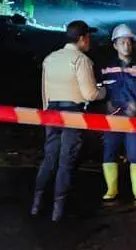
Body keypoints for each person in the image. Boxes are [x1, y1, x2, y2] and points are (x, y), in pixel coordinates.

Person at [30, 20, 104, 222]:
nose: (90, 41)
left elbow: (44, 92)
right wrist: (103, 91)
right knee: (66, 161)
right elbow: (89, 94)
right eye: (89, 37)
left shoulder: (50, 58)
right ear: (82, 38)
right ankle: (58, 211)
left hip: (51, 112)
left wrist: (46, 113)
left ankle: (36, 205)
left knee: (49, 158)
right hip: (73, 113)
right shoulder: (81, 60)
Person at [100, 24, 136, 202]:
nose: (126, 46)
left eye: (129, 42)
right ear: (115, 45)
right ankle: (111, 190)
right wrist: (105, 103)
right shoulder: (106, 68)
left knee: (135, 152)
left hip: (134, 118)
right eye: (122, 42)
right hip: (112, 117)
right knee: (109, 150)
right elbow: (98, 89)